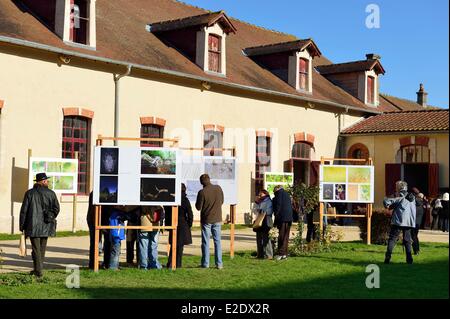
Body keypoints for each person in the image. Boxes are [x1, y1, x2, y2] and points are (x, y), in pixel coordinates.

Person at [19, 173, 60, 277]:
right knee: (41, 249)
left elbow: (24, 211)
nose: (48, 182)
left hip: (33, 226)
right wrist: (51, 216)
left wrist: (22, 226)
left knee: (36, 249)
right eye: (47, 180)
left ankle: (38, 271)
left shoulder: (29, 193)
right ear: (43, 181)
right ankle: (38, 269)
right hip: (46, 225)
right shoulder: (51, 193)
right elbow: (57, 208)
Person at [383, 180, 416, 264]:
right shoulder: (413, 197)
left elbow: (387, 203)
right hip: (409, 222)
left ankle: (388, 256)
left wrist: (386, 199)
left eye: (396, 187)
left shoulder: (399, 196)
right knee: (407, 240)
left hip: (398, 221)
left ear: (399, 188)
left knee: (392, 239)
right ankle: (409, 259)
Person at [196, 174, 224, 269]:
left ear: (201, 182)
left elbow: (198, 207)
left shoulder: (202, 192)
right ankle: (219, 264)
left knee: (205, 242)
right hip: (217, 218)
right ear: (209, 179)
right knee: (217, 242)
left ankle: (205, 263)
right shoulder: (218, 188)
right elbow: (222, 201)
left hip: (206, 220)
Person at [167, 184, 194, 268]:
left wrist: (168, 223)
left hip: (173, 223)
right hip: (182, 224)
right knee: (179, 246)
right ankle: (178, 265)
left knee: (173, 246)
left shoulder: (172, 199)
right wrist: (189, 224)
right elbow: (190, 214)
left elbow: (167, 212)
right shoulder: (185, 200)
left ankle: (170, 263)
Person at [138, 206, 165, 270]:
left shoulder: (143, 198)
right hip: (156, 223)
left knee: (143, 246)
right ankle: (154, 264)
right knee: (154, 245)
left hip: (144, 222)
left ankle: (143, 265)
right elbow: (161, 211)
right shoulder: (158, 198)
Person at [272, 185, 293, 261]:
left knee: (282, 236)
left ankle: (281, 253)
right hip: (288, 218)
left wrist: (275, 219)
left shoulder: (279, 193)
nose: (274, 192)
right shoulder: (286, 194)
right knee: (285, 236)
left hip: (282, 218)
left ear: (277, 189)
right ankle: (285, 254)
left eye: (274, 191)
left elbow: (278, 206)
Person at [254, 189, 274, 259]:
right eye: (259, 195)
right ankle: (260, 254)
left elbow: (268, 211)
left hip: (266, 220)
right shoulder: (259, 201)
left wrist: (260, 210)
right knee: (258, 237)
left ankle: (269, 255)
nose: (259, 196)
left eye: (261, 194)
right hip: (259, 219)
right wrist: (256, 203)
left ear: (265, 194)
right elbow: (255, 210)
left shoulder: (268, 201)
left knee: (266, 238)